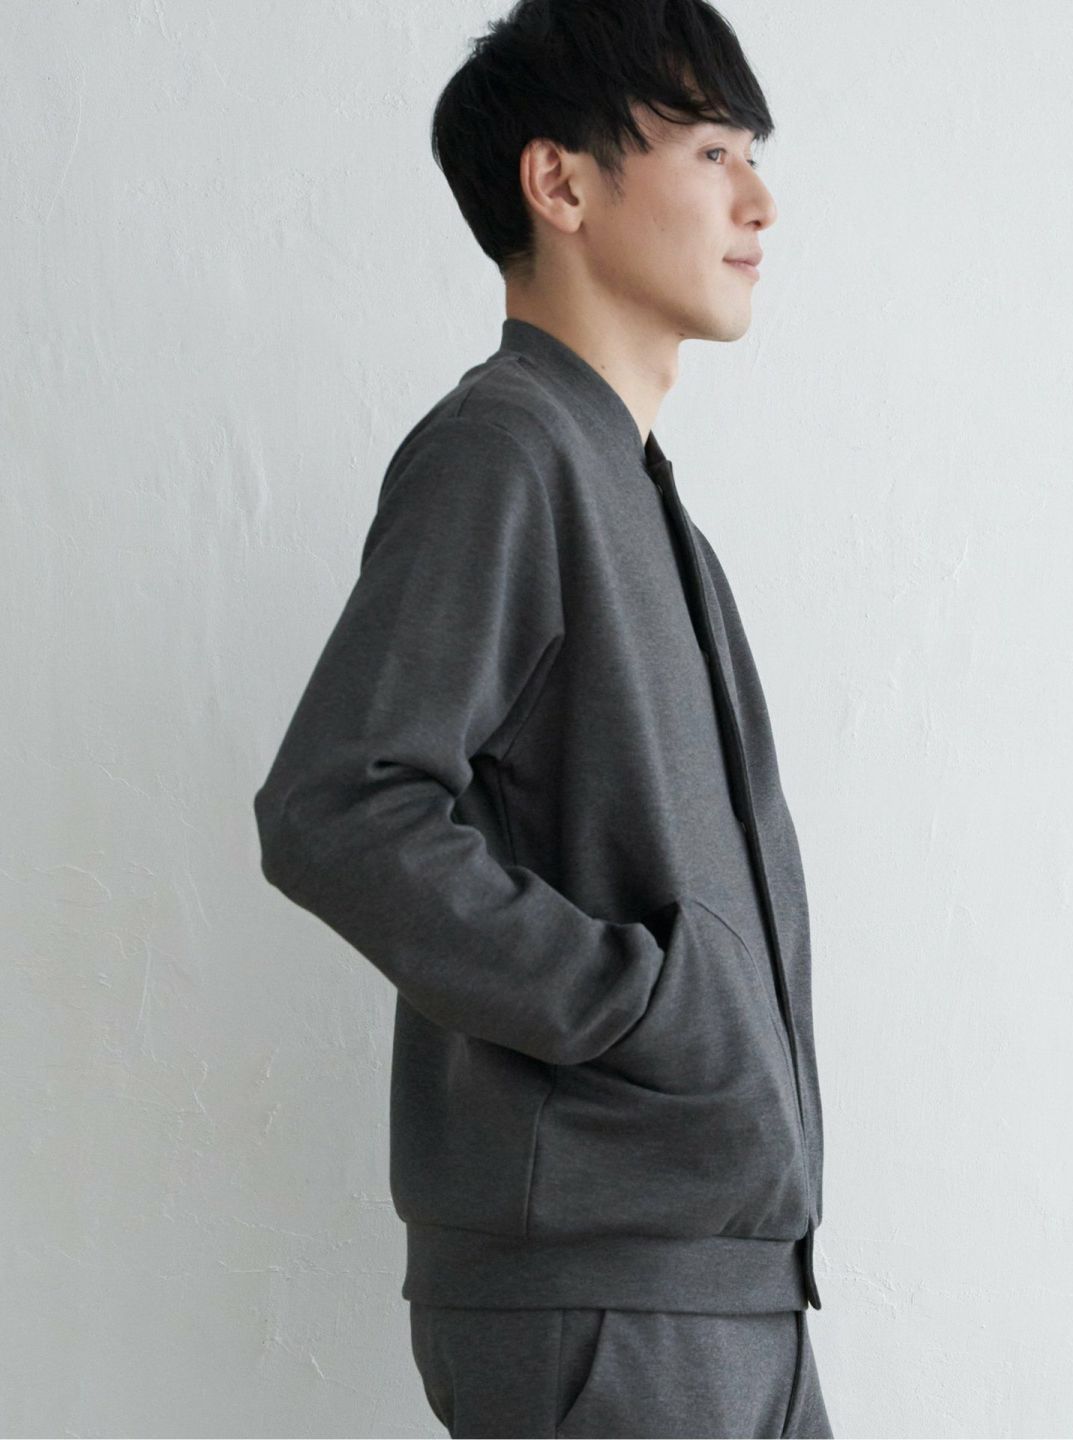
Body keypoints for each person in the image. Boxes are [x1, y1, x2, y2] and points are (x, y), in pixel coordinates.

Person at [253, 1, 833, 1434]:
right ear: (559, 182)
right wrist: (643, 1008)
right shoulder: (506, 452)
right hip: (609, 1302)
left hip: (714, 1284)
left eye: (753, 154)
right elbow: (338, 809)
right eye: (712, 151)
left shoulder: (634, 493)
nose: (760, 201)